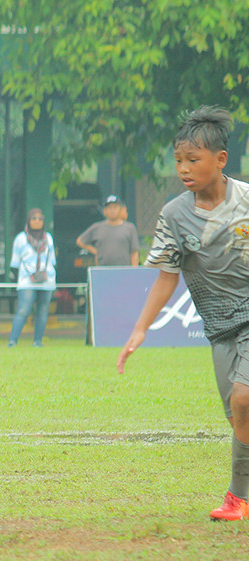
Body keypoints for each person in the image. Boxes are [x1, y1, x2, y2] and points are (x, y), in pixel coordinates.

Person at [118, 105, 249, 522]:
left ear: (220, 160)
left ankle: (234, 498)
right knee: (238, 417)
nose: (183, 169)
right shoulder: (174, 215)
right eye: (178, 160)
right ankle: (242, 499)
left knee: (244, 401)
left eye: (193, 160)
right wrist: (140, 329)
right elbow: (165, 278)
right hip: (219, 328)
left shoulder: (246, 200)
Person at [8, 208, 57, 347]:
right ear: (28, 221)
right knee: (23, 310)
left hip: (46, 280)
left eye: (40, 219)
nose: (37, 221)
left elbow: (53, 260)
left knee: (42, 312)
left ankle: (37, 341)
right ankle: (13, 341)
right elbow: (15, 263)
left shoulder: (48, 238)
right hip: (26, 281)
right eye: (34, 218)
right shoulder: (21, 239)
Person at [76, 195, 140, 266]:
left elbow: (134, 253)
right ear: (105, 211)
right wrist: (95, 251)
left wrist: (134, 272)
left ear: (120, 210)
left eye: (115, 207)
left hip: (124, 271)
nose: (112, 210)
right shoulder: (97, 227)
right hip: (103, 271)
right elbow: (80, 241)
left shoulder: (130, 228)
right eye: (109, 208)